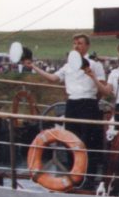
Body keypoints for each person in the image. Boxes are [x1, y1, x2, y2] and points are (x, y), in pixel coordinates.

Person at [23, 33, 107, 174]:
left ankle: (89, 175)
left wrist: (93, 93)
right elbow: (53, 78)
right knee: (71, 140)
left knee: (88, 141)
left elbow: (102, 87)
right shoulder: (68, 66)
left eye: (80, 43)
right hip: (72, 104)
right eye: (74, 43)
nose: (76, 46)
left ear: (87, 46)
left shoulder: (95, 65)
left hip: (88, 103)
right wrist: (34, 67)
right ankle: (72, 172)